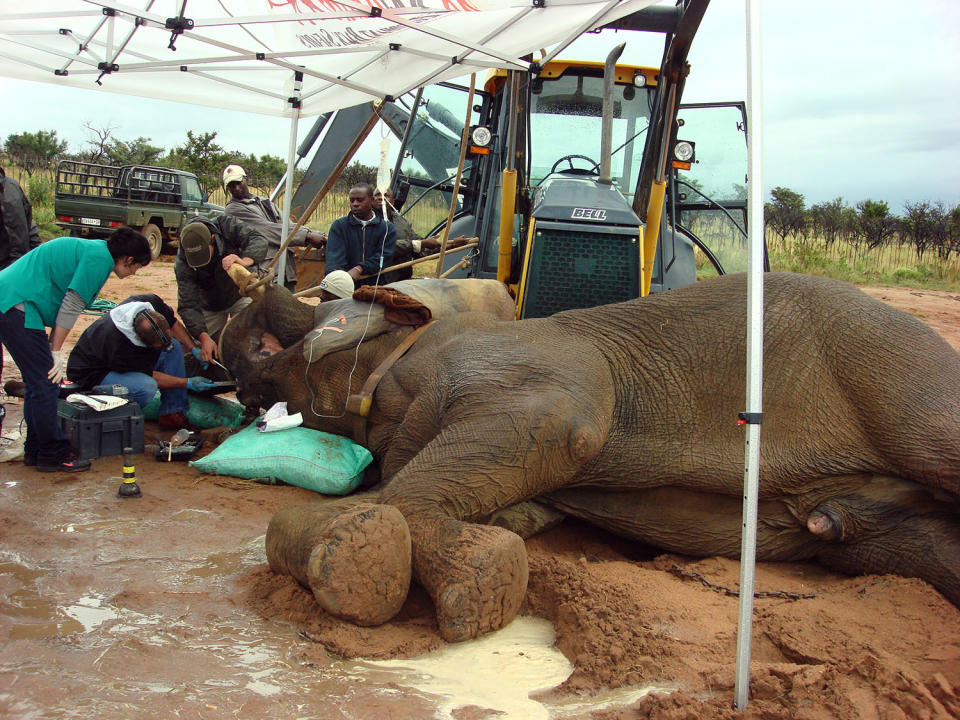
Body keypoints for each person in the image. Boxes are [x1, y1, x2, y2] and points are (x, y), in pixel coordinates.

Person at [0, 227, 151, 472]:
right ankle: (52, 454)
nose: (134, 273)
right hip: (17, 304)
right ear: (128, 259)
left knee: (38, 382)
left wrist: (52, 348)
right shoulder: (99, 259)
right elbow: (72, 304)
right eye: (137, 267)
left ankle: (36, 450)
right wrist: (56, 351)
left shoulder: (95, 252)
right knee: (45, 383)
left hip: (15, 301)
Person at [66, 294, 218, 430]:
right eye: (156, 345)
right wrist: (188, 382)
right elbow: (153, 377)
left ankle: (172, 414)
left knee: (174, 347)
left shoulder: (150, 303)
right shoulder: (119, 346)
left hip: (116, 360)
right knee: (145, 387)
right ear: (140, 339)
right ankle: (117, 420)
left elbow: (173, 324)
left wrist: (193, 349)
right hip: (92, 374)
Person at [175, 216, 269, 364]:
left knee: (253, 340)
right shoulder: (182, 262)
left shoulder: (226, 226)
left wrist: (244, 260)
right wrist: (203, 336)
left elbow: (258, 239)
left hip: (238, 293)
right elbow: (188, 304)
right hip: (209, 302)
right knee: (202, 349)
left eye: (204, 253)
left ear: (212, 239)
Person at [221, 164, 327, 291]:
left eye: (239, 183)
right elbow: (268, 230)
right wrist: (307, 236)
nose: (237, 188)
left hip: (286, 269)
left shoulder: (264, 202)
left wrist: (319, 234)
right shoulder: (233, 210)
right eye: (232, 186)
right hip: (266, 272)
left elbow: (288, 225)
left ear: (246, 179)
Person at [0, 166, 42, 397]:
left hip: (18, 275)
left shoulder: (13, 188)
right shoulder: (12, 186)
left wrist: (37, 262)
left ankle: (34, 384)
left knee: (27, 335)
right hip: (9, 276)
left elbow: (30, 226)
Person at [373, 187, 468, 283]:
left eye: (385, 195)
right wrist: (420, 243)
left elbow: (421, 249)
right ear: (372, 201)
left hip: (402, 281)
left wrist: (452, 245)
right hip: (378, 281)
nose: (381, 198)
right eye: (377, 195)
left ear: (393, 202)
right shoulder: (368, 221)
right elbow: (386, 247)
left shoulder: (401, 222)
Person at [325, 183, 396, 288]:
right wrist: (340, 279)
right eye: (352, 200)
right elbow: (334, 260)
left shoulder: (386, 228)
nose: (355, 204)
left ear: (371, 200)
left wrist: (360, 269)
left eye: (360, 200)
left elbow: (382, 257)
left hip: (375, 286)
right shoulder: (339, 226)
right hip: (344, 286)